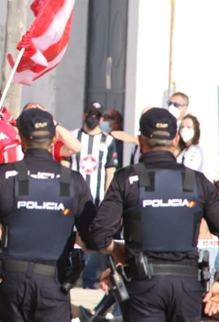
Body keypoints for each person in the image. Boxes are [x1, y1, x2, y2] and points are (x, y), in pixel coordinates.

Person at [0, 108, 97, 322]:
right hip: (55, 285)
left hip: (13, 281)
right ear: (54, 139)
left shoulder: (3, 174)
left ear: (20, 139)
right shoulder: (74, 181)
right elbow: (92, 240)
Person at [89, 108, 219, 321]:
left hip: (143, 287)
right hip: (187, 288)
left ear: (140, 140)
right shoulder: (197, 181)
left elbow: (98, 235)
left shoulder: (126, 179)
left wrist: (119, 251)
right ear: (175, 140)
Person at [70, 101, 118, 289]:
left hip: (95, 200)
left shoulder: (108, 140)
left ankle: (88, 282)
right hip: (73, 198)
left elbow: (110, 171)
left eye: (97, 115)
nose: (93, 118)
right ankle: (70, 276)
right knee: (71, 238)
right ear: (84, 115)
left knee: (92, 240)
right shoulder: (73, 137)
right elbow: (65, 165)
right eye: (90, 114)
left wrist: (108, 200)